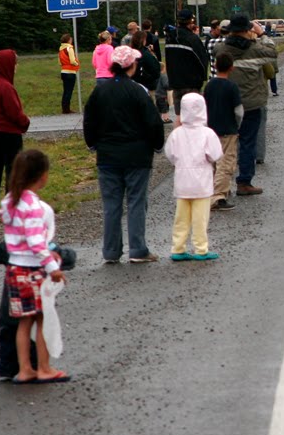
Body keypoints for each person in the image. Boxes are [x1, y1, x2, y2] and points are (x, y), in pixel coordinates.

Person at [83, 45, 166, 263]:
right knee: (137, 202)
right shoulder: (138, 90)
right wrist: (157, 145)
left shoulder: (100, 90)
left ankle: (111, 251)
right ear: (131, 65)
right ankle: (138, 249)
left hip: (108, 156)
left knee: (111, 205)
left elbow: (89, 120)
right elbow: (153, 121)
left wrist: (92, 144)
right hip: (137, 155)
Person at [0, 150, 68, 384]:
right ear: (43, 176)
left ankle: (25, 369)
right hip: (32, 271)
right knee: (42, 319)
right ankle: (44, 367)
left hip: (14, 269)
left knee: (24, 321)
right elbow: (37, 244)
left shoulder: (10, 202)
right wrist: (52, 268)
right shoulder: (34, 207)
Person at [214, 15, 277, 196]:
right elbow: (272, 52)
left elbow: (216, 50)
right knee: (248, 142)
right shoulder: (255, 49)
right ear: (248, 30)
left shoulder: (221, 49)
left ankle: (221, 183)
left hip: (227, 102)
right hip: (251, 103)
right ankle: (244, 182)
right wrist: (262, 33)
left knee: (225, 143)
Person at [163, 94, 223, 262]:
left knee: (181, 218)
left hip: (182, 181)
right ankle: (201, 248)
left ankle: (178, 248)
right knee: (200, 218)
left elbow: (170, 154)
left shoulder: (177, 133)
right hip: (201, 182)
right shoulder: (207, 133)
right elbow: (215, 154)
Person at [0, 50, 31, 221]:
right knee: (13, 171)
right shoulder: (6, 87)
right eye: (15, 63)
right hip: (9, 134)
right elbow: (14, 113)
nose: (16, 66)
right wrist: (25, 122)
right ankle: (11, 208)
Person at [204, 53, 242, 211]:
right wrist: (237, 125)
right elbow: (239, 111)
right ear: (231, 67)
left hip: (211, 128)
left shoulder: (209, 85)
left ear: (215, 66)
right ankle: (218, 196)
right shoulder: (232, 87)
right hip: (228, 129)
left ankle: (211, 189)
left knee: (212, 162)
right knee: (225, 163)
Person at [164, 9, 210, 125]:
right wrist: (202, 78)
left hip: (175, 83)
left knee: (179, 117)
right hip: (191, 84)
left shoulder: (170, 38)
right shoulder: (193, 39)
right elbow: (203, 60)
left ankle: (178, 139)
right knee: (193, 118)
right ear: (191, 21)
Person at [131, 29, 161, 99]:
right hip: (147, 86)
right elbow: (156, 70)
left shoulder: (130, 52)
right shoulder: (145, 54)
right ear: (143, 40)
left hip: (132, 86)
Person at [58, 34, 79, 114]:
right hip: (70, 72)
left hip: (63, 71)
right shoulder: (69, 48)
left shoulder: (61, 49)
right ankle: (67, 109)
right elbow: (72, 60)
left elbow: (59, 62)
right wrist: (77, 64)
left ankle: (64, 107)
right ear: (68, 40)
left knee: (65, 91)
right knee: (69, 91)